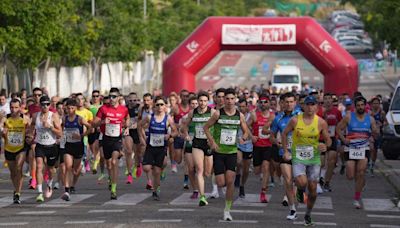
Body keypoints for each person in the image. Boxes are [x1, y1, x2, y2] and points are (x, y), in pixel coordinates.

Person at [282, 95, 331, 226]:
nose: (310, 107)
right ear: (303, 106)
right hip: (298, 156)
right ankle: (300, 190)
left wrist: (325, 146)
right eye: (307, 104)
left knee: (313, 190)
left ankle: (308, 214)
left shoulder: (321, 122)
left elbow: (328, 139)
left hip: (314, 158)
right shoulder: (295, 120)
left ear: (316, 106)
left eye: (312, 104)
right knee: (302, 182)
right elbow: (284, 133)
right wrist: (286, 150)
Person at [203, 88, 250, 221]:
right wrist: (212, 142)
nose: (229, 101)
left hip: (232, 152)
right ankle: (218, 184)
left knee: (230, 181)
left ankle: (227, 210)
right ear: (224, 100)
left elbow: (246, 131)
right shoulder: (218, 114)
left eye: (232, 99)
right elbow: (206, 127)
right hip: (219, 152)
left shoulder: (239, 115)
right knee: (221, 182)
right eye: (227, 99)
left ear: (235, 99)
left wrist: (243, 138)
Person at [336, 96, 378, 209]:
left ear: (365, 106)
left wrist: (375, 132)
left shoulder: (370, 119)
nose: (360, 107)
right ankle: (360, 181)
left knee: (360, 172)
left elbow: (375, 132)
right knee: (350, 175)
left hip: (364, 148)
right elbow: (338, 128)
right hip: (350, 148)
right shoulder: (349, 117)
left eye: (362, 105)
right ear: (355, 106)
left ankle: (356, 198)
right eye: (358, 105)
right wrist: (343, 139)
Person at [92, 88, 130, 200]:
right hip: (106, 138)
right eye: (110, 97)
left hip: (117, 139)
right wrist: (102, 122)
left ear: (119, 98)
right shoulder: (103, 108)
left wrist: (126, 126)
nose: (111, 99)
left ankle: (114, 189)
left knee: (114, 162)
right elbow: (94, 124)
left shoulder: (124, 109)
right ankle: (110, 178)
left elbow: (127, 118)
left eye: (114, 97)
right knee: (108, 163)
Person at [139, 96, 177, 200]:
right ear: (154, 106)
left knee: (156, 171)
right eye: (157, 105)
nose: (160, 107)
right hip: (150, 147)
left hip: (161, 148)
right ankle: (155, 184)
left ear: (165, 106)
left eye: (162, 105)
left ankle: (156, 190)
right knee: (146, 168)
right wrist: (143, 138)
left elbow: (175, 131)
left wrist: (169, 136)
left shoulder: (168, 118)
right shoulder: (150, 117)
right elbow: (140, 126)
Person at [183, 92, 215, 206]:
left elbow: (218, 126)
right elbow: (185, 125)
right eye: (200, 101)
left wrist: (213, 138)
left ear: (208, 101)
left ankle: (205, 190)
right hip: (197, 143)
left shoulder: (212, 112)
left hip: (208, 143)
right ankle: (202, 197)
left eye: (205, 101)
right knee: (199, 170)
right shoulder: (193, 112)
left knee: (207, 173)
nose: (202, 103)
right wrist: (186, 134)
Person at [29, 96, 62, 202]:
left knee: (51, 169)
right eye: (43, 104)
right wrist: (29, 136)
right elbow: (31, 126)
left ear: (50, 105)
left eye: (47, 104)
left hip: (51, 146)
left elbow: (60, 133)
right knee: (39, 167)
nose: (45, 106)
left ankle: (49, 184)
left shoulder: (53, 116)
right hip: (39, 145)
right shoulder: (35, 116)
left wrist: (50, 127)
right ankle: (39, 192)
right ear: (40, 105)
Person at [271, 92, 299, 220]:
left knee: (298, 181)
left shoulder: (301, 116)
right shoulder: (278, 118)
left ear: (295, 102)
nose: (289, 104)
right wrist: (276, 142)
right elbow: (272, 135)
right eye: (286, 102)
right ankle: (292, 208)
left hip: (300, 154)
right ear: (282, 103)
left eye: (291, 102)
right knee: (288, 180)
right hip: (285, 153)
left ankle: (299, 192)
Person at [61, 99, 92, 201]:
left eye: (72, 108)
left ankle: (73, 184)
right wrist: (61, 138)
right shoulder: (64, 119)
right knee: (68, 167)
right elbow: (61, 129)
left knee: (76, 170)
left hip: (78, 146)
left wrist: (81, 135)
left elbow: (91, 128)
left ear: (75, 108)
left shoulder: (80, 119)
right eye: (68, 108)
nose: (70, 110)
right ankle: (66, 190)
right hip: (68, 146)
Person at [1, 99, 30, 204]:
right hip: (9, 148)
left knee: (19, 167)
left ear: (20, 107)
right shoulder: (5, 118)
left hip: (21, 148)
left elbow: (31, 129)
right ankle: (16, 188)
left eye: (16, 107)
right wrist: (3, 132)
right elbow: (1, 130)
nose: (14, 110)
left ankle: (18, 192)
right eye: (12, 107)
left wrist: (29, 134)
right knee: (13, 172)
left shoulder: (24, 118)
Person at [248, 94, 275, 203]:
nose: (263, 104)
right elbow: (245, 126)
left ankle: (263, 192)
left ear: (269, 103)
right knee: (256, 171)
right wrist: (251, 136)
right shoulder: (255, 115)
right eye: (261, 102)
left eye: (265, 102)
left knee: (266, 167)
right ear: (259, 103)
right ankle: (263, 177)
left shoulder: (273, 116)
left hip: (268, 146)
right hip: (257, 146)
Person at [320, 93, 342, 192]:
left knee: (332, 161)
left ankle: (327, 182)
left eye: (330, 99)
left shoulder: (337, 111)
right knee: (321, 163)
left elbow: (341, 124)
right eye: (326, 99)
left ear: (332, 101)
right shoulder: (319, 111)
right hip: (321, 139)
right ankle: (319, 179)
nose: (328, 101)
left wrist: (339, 135)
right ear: (323, 100)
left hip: (332, 138)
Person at [181, 96, 199, 199]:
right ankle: (195, 190)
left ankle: (201, 186)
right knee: (191, 168)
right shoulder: (185, 118)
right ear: (189, 105)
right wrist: (186, 135)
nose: (194, 105)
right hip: (189, 144)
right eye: (192, 104)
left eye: (196, 103)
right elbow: (182, 130)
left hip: (201, 145)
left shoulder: (204, 117)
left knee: (201, 169)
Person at [236, 98, 253, 198]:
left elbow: (248, 126)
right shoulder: (235, 115)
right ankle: (237, 175)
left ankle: (242, 186)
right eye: (240, 106)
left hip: (248, 144)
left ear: (247, 107)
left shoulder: (251, 116)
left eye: (243, 106)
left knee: (246, 170)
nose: (241, 108)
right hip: (238, 143)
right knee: (238, 162)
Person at [123, 92, 142, 184]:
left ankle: (138, 165)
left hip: (137, 132)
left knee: (138, 153)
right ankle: (129, 173)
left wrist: (137, 124)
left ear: (137, 99)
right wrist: (125, 126)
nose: (132, 102)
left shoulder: (139, 108)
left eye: (134, 100)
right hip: (128, 132)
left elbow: (143, 120)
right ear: (127, 100)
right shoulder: (124, 109)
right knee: (129, 151)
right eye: (130, 100)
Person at [137, 93, 154, 190]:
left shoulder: (156, 109)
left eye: (148, 100)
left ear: (152, 100)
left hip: (155, 136)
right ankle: (149, 181)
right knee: (146, 160)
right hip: (144, 135)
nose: (146, 102)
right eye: (145, 100)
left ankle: (160, 172)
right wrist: (141, 138)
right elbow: (139, 124)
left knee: (156, 160)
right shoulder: (141, 109)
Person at [369, 97, 386, 175]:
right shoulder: (369, 113)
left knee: (375, 150)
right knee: (371, 148)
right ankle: (368, 163)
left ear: (379, 104)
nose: (376, 105)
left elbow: (386, 121)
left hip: (378, 134)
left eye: (377, 103)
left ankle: (372, 164)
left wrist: (382, 124)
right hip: (370, 134)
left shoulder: (382, 113)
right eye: (374, 103)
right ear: (371, 104)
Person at [88, 90, 102, 175]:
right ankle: (96, 159)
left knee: (97, 146)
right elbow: (86, 118)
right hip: (92, 129)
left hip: (100, 129)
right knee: (93, 147)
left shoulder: (103, 106)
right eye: (94, 96)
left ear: (100, 97)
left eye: (97, 96)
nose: (95, 98)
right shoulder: (89, 107)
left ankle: (95, 165)